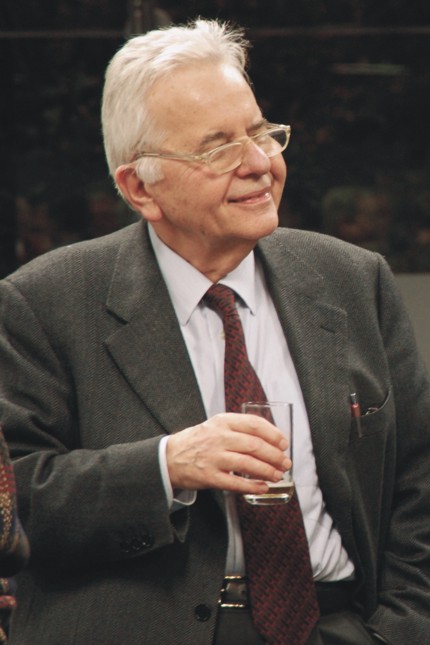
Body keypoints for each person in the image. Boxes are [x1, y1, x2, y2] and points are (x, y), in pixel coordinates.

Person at [0, 18, 429, 645]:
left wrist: (399, 631)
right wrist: (166, 466)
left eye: (261, 132)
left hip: (337, 623)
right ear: (139, 187)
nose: (259, 163)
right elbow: (15, 503)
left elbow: (418, 480)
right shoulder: (44, 303)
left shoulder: (353, 281)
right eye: (217, 149)